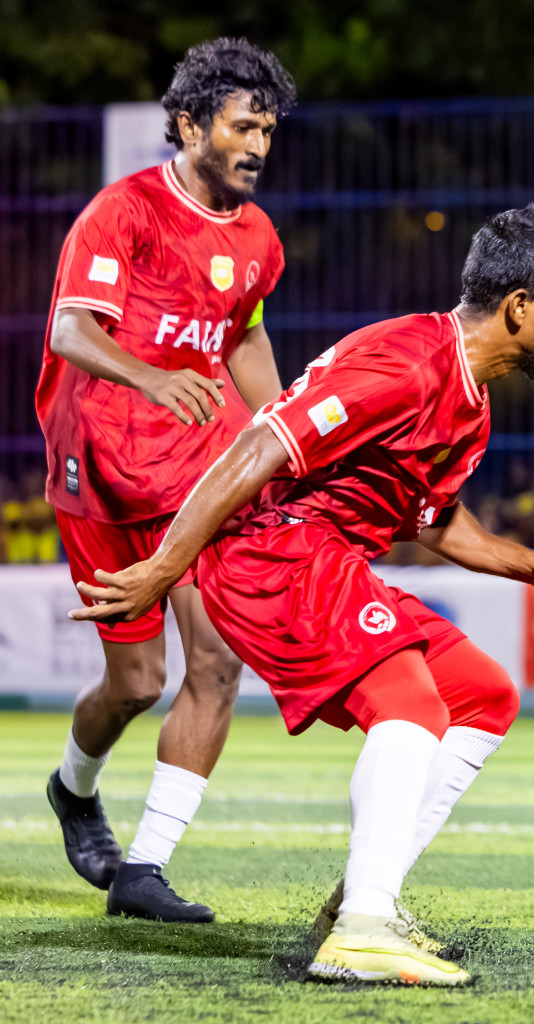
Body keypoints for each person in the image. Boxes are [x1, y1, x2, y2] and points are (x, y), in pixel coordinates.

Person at [70, 203, 534, 986]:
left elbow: (434, 522)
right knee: (410, 704)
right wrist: (163, 569)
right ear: (521, 308)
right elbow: (262, 441)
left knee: (483, 696)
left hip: (323, 562)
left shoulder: (470, 395)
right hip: (274, 557)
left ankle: (364, 903)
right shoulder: (406, 362)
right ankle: (363, 928)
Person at [35, 38, 295, 923]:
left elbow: (246, 338)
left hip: (196, 464)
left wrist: (289, 435)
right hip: (100, 465)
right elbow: (71, 331)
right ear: (188, 125)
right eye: (240, 126)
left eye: (266, 128)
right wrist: (151, 377)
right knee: (137, 683)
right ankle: (74, 790)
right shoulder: (124, 213)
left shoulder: (258, 237)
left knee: (219, 664)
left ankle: (144, 869)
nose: (257, 143)